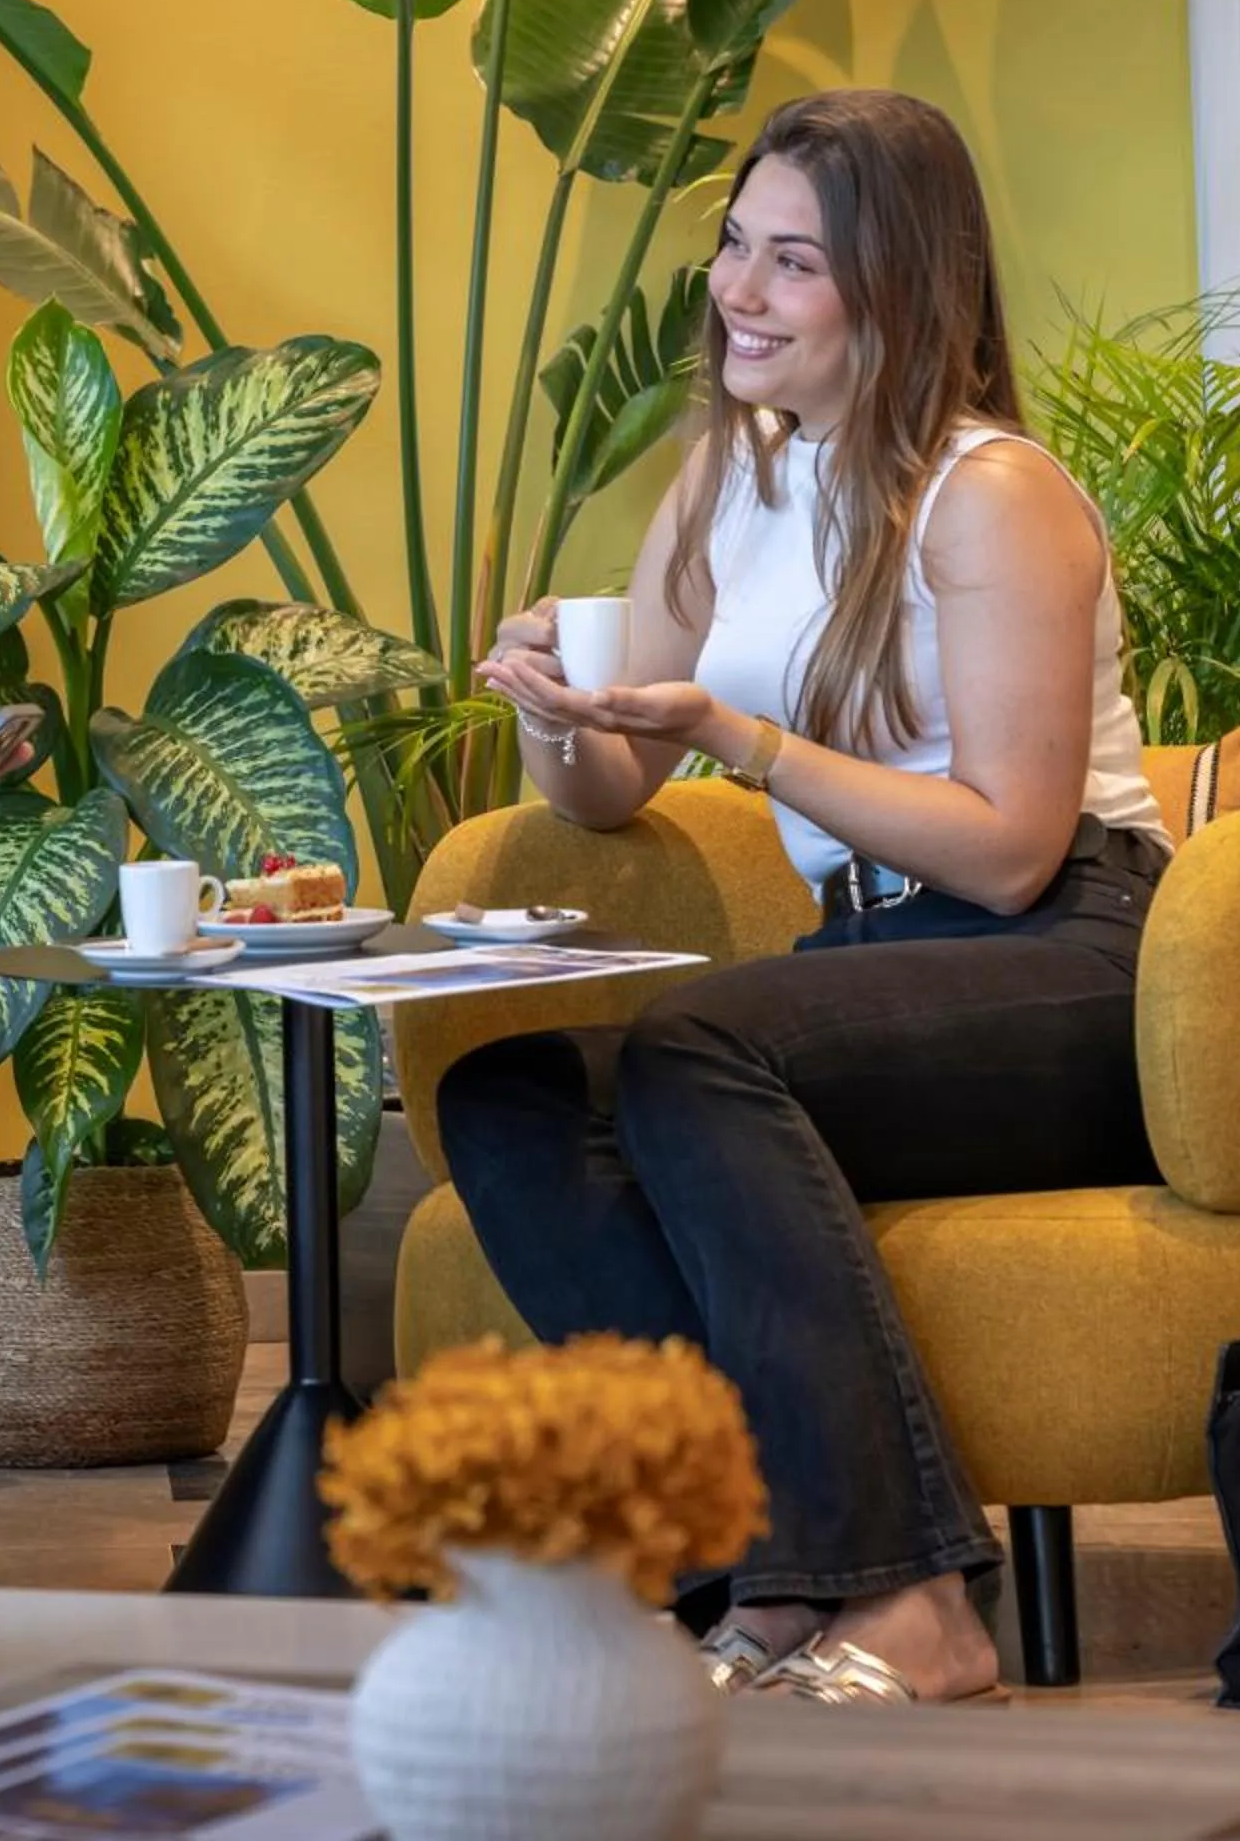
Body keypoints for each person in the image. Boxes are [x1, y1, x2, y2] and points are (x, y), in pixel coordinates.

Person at [457, 88, 1174, 1704]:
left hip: (1068, 954)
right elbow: (616, 781)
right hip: (882, 965)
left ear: (896, 292)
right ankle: (763, 1581)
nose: (737, 291)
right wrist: (551, 711)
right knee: (513, 1093)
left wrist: (751, 742)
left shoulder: (992, 493)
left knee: (702, 1042)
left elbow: (1009, 844)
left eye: (795, 263)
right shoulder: (732, 477)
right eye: (735, 246)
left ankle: (909, 1596)